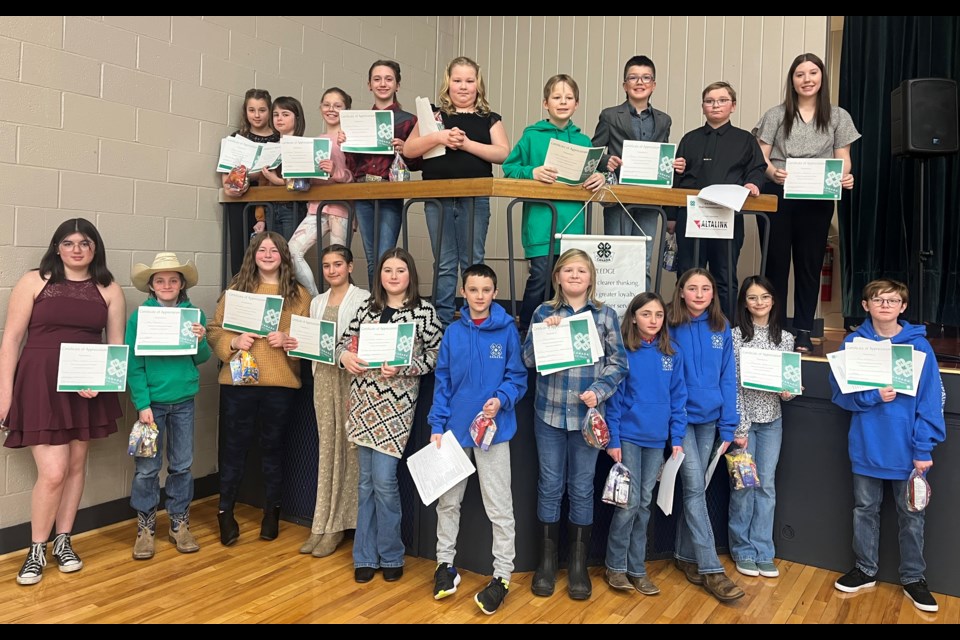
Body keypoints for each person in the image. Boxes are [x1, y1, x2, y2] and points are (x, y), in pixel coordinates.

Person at [0, 218, 126, 585]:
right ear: (57, 247)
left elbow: (115, 348)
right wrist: (4, 394)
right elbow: (11, 340)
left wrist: (101, 383)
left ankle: (64, 542)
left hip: (84, 389)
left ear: (94, 249)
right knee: (52, 472)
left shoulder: (109, 288)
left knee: (74, 467)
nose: (76, 249)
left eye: (85, 243)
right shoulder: (33, 280)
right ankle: (37, 547)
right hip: (38, 384)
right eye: (68, 242)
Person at [829, 279, 946, 613]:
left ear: (903, 307)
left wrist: (923, 448)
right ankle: (865, 570)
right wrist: (872, 396)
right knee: (864, 510)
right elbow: (840, 395)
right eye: (877, 299)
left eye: (892, 300)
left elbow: (930, 402)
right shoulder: (854, 343)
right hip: (866, 445)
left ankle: (913, 578)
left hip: (908, 449)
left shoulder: (920, 348)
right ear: (865, 305)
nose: (885, 305)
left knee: (912, 516)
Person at [521, 248, 628, 601]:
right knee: (550, 486)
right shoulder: (542, 312)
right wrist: (543, 333)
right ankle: (547, 563)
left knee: (581, 488)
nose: (575, 276)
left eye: (582, 270)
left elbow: (619, 364)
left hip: (586, 420)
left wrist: (599, 391)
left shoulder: (605, 315)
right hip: (549, 414)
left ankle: (578, 566)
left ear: (591, 277)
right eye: (568, 270)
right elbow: (527, 360)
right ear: (557, 277)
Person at [336, 248, 442, 584]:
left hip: (395, 406)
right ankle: (365, 555)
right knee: (365, 482)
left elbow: (438, 357)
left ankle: (392, 553)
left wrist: (405, 367)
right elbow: (342, 344)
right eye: (387, 270)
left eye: (400, 270)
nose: (393, 276)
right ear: (379, 275)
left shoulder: (423, 313)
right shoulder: (367, 308)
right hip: (363, 403)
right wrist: (344, 359)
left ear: (410, 274)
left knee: (383, 481)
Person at [427, 264, 527, 614]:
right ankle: (444, 565)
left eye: (486, 290)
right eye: (473, 290)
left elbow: (518, 377)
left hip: (494, 433)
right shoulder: (453, 333)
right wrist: (437, 424)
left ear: (494, 293)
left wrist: (501, 398)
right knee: (448, 503)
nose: (480, 296)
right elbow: (443, 382)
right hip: (454, 432)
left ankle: (501, 577)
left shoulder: (507, 332)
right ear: (464, 292)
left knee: (499, 507)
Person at [207, 232, 310, 546]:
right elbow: (214, 330)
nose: (267, 254)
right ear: (253, 255)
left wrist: (289, 338)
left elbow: (309, 337)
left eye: (274, 250)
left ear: (283, 256)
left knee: (273, 451)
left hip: (280, 384)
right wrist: (234, 342)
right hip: (239, 383)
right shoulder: (236, 290)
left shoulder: (300, 295)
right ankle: (225, 513)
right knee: (233, 450)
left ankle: (271, 513)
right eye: (262, 249)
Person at [754, 52, 860, 352]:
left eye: (813, 73)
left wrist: (844, 177)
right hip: (778, 195)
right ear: (792, 80)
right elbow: (760, 155)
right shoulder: (776, 114)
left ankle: (802, 329)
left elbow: (844, 160)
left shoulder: (839, 116)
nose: (807, 79)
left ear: (822, 78)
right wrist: (772, 173)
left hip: (817, 197)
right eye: (800, 74)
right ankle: (773, 329)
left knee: (809, 264)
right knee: (774, 263)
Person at [403, 57, 510, 327]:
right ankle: (440, 322)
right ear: (448, 83)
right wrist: (439, 137)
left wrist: (466, 144)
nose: (463, 86)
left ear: (478, 85)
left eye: (469, 81)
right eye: (457, 80)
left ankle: (476, 318)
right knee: (445, 262)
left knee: (473, 258)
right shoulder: (433, 116)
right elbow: (409, 149)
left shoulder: (489, 118)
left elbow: (502, 153)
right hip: (437, 198)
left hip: (475, 198)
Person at [503, 75, 605, 334]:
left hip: (573, 224)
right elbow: (509, 168)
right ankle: (526, 331)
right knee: (539, 278)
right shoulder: (532, 136)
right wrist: (532, 172)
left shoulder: (583, 142)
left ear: (577, 104)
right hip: (541, 224)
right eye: (557, 97)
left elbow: (593, 175)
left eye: (568, 98)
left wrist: (599, 176)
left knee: (569, 283)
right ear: (545, 103)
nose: (563, 102)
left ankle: (562, 334)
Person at [126, 253, 211, 560]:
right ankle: (146, 528)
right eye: (160, 280)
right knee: (147, 470)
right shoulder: (139, 317)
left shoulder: (194, 315)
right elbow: (133, 365)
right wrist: (142, 404)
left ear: (181, 284)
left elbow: (200, 359)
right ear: (151, 285)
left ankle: (179, 523)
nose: (166, 285)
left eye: (173, 280)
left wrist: (202, 340)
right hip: (152, 406)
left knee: (182, 466)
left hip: (184, 401)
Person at [667, 267, 744, 602]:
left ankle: (686, 557)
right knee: (696, 488)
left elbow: (728, 378)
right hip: (681, 420)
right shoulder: (668, 325)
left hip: (711, 420)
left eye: (706, 289)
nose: (699, 294)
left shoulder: (721, 327)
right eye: (692, 288)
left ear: (713, 294)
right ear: (681, 292)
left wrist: (730, 423)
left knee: (696, 489)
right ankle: (712, 569)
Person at [604, 292, 686, 596]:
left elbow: (679, 399)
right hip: (627, 438)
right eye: (646, 314)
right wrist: (613, 439)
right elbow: (614, 401)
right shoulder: (624, 353)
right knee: (628, 504)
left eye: (659, 315)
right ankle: (615, 566)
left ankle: (637, 569)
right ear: (634, 317)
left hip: (656, 441)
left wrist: (676, 438)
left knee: (644, 506)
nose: (653, 320)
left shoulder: (671, 353)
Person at [674, 81, 767, 320]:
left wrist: (753, 183)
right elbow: (676, 179)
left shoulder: (745, 139)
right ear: (703, 107)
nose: (715, 105)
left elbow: (757, 168)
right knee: (687, 274)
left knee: (724, 275)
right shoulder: (689, 139)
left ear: (733, 106)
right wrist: (672, 217)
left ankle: (725, 328)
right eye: (709, 101)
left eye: (722, 100)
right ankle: (685, 324)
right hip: (690, 218)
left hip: (727, 216)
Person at [299, 244, 369, 559]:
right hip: (324, 379)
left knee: (348, 450)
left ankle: (341, 524)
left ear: (350, 267)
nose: (331, 271)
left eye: (338, 264)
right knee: (327, 448)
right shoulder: (316, 302)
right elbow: (313, 340)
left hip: (350, 380)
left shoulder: (364, 299)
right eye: (326, 265)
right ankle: (322, 522)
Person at [728, 275, 794, 579]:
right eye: (753, 297)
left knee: (766, 486)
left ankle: (763, 550)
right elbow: (732, 386)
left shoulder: (786, 338)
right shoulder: (735, 336)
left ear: (773, 301)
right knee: (744, 486)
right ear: (744, 301)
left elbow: (787, 386)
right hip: (745, 423)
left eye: (765, 297)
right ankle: (742, 550)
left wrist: (788, 390)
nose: (759, 303)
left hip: (772, 421)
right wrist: (739, 427)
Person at [592, 55, 674, 292]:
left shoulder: (663, 120)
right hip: (619, 198)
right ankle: (615, 319)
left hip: (649, 199)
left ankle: (642, 316)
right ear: (624, 84)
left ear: (654, 84)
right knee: (617, 258)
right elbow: (593, 152)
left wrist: (671, 164)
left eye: (646, 77)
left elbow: (662, 156)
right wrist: (607, 160)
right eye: (633, 77)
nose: (640, 82)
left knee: (644, 259)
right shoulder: (609, 115)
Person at [345, 60, 420, 285]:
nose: (382, 84)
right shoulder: (357, 121)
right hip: (363, 190)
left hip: (390, 191)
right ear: (369, 84)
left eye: (389, 79)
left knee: (384, 255)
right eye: (377, 79)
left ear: (398, 85)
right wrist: (345, 143)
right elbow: (351, 165)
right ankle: (376, 306)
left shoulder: (409, 121)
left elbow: (418, 162)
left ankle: (388, 306)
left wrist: (405, 148)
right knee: (370, 258)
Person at [289, 88, 355, 296]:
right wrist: (298, 174)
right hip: (316, 207)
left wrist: (336, 171)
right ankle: (316, 298)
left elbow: (354, 176)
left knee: (338, 261)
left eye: (338, 105)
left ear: (346, 110)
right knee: (291, 251)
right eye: (327, 104)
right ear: (320, 108)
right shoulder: (315, 140)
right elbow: (309, 178)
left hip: (341, 210)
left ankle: (340, 300)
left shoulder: (349, 139)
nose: (331, 109)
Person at [221, 88, 280, 276]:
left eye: (262, 110)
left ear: (269, 111)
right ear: (245, 112)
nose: (256, 115)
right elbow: (226, 178)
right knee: (241, 250)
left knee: (270, 249)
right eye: (251, 110)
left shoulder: (280, 138)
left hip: (271, 200)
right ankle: (241, 291)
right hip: (241, 201)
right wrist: (233, 187)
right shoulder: (236, 139)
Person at [256, 96, 309, 241]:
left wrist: (277, 181)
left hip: (292, 207)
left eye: (285, 114)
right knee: (275, 252)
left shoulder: (302, 146)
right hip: (271, 206)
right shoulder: (271, 147)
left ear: (296, 118)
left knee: (289, 252)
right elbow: (262, 182)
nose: (279, 118)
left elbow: (302, 184)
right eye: (275, 115)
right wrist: (260, 217)